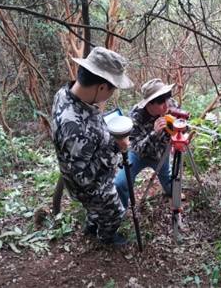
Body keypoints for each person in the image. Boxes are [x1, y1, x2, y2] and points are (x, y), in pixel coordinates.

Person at [52, 47, 133, 246]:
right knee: (114, 212)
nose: (112, 93)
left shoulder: (65, 94)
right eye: (113, 88)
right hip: (92, 187)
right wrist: (116, 146)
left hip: (86, 178)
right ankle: (106, 237)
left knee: (97, 209)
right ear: (102, 87)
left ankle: (91, 225)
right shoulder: (75, 127)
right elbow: (84, 178)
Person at [115, 78, 185, 209]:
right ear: (148, 104)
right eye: (160, 102)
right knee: (121, 183)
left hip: (162, 154)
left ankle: (172, 192)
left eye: (167, 99)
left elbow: (182, 125)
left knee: (168, 178)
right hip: (138, 156)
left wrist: (180, 124)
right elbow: (136, 147)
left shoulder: (170, 105)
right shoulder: (135, 115)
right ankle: (122, 210)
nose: (166, 105)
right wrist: (155, 133)